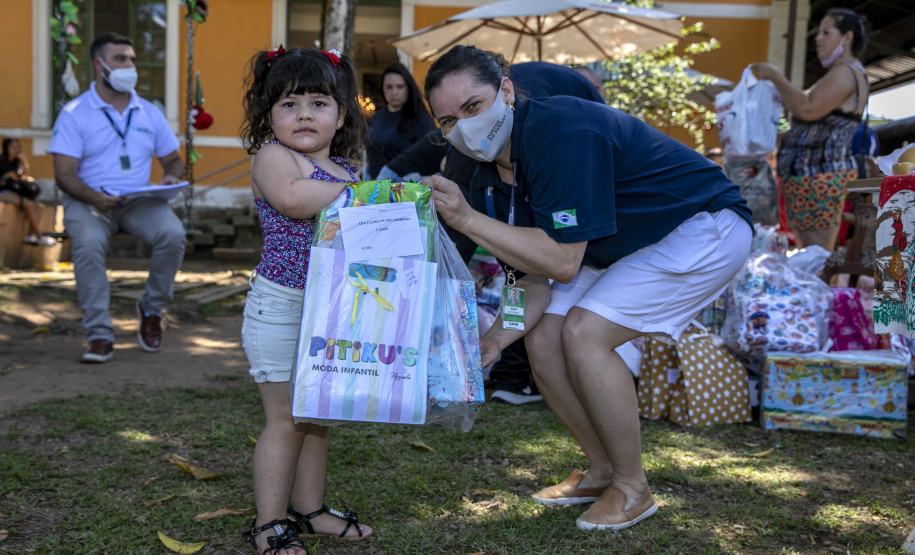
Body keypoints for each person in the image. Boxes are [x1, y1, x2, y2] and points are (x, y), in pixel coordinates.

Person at [422, 45, 752, 531]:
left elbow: (560, 259)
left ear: (506, 91)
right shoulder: (489, 177)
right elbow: (531, 278)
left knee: (582, 333)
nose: (464, 127)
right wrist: (492, 340)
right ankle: (602, 471)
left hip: (703, 226)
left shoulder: (561, 131)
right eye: (448, 121)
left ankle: (634, 489)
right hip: (619, 247)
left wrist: (468, 221)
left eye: (473, 106)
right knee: (542, 337)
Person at [239, 46, 373, 554]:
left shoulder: (346, 168)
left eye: (319, 103)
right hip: (281, 306)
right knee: (286, 418)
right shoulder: (277, 159)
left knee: (317, 416)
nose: (303, 115)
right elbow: (294, 199)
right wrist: (365, 196)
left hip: (332, 309)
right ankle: (268, 524)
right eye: (289, 104)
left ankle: (310, 510)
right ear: (269, 115)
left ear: (342, 116)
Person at [49, 33, 186, 363]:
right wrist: (94, 198)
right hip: (87, 201)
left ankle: (151, 310)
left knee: (173, 234)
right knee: (88, 244)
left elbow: (173, 160)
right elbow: (63, 173)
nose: (130, 66)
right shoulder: (75, 112)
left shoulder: (149, 112)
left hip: (139, 200)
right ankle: (99, 333)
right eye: (120, 59)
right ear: (100, 65)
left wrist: (172, 176)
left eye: (132, 59)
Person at [751, 8, 870, 251]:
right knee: (809, 256)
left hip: (820, 176)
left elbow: (807, 109)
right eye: (818, 32)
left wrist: (776, 76)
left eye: (826, 32)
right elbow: (815, 127)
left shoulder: (847, 72)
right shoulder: (841, 72)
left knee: (815, 257)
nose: (818, 38)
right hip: (809, 176)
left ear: (847, 38)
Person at [364, 62, 434, 180]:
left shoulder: (420, 119)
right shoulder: (377, 117)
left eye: (400, 86)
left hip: (403, 190)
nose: (394, 92)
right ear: (383, 89)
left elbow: (430, 159)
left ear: (408, 88)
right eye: (389, 87)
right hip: (374, 187)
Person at [1, 138, 56, 246]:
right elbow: (18, 178)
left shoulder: (16, 161)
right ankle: (39, 235)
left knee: (39, 206)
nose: (16, 150)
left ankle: (31, 235)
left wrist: (24, 161)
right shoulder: (2, 161)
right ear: (6, 148)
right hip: (3, 192)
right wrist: (28, 179)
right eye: (13, 147)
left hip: (14, 191)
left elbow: (25, 176)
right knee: (29, 204)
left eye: (17, 147)